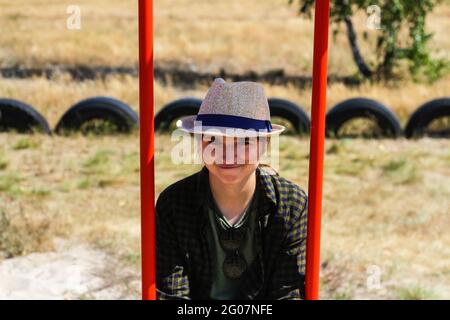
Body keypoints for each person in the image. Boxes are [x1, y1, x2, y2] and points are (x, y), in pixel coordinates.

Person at [155, 78, 308, 300]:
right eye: (213, 140)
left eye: (244, 141)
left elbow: (287, 293)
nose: (228, 154)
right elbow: (173, 295)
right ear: (200, 143)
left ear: (264, 145)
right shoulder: (173, 203)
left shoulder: (292, 205)